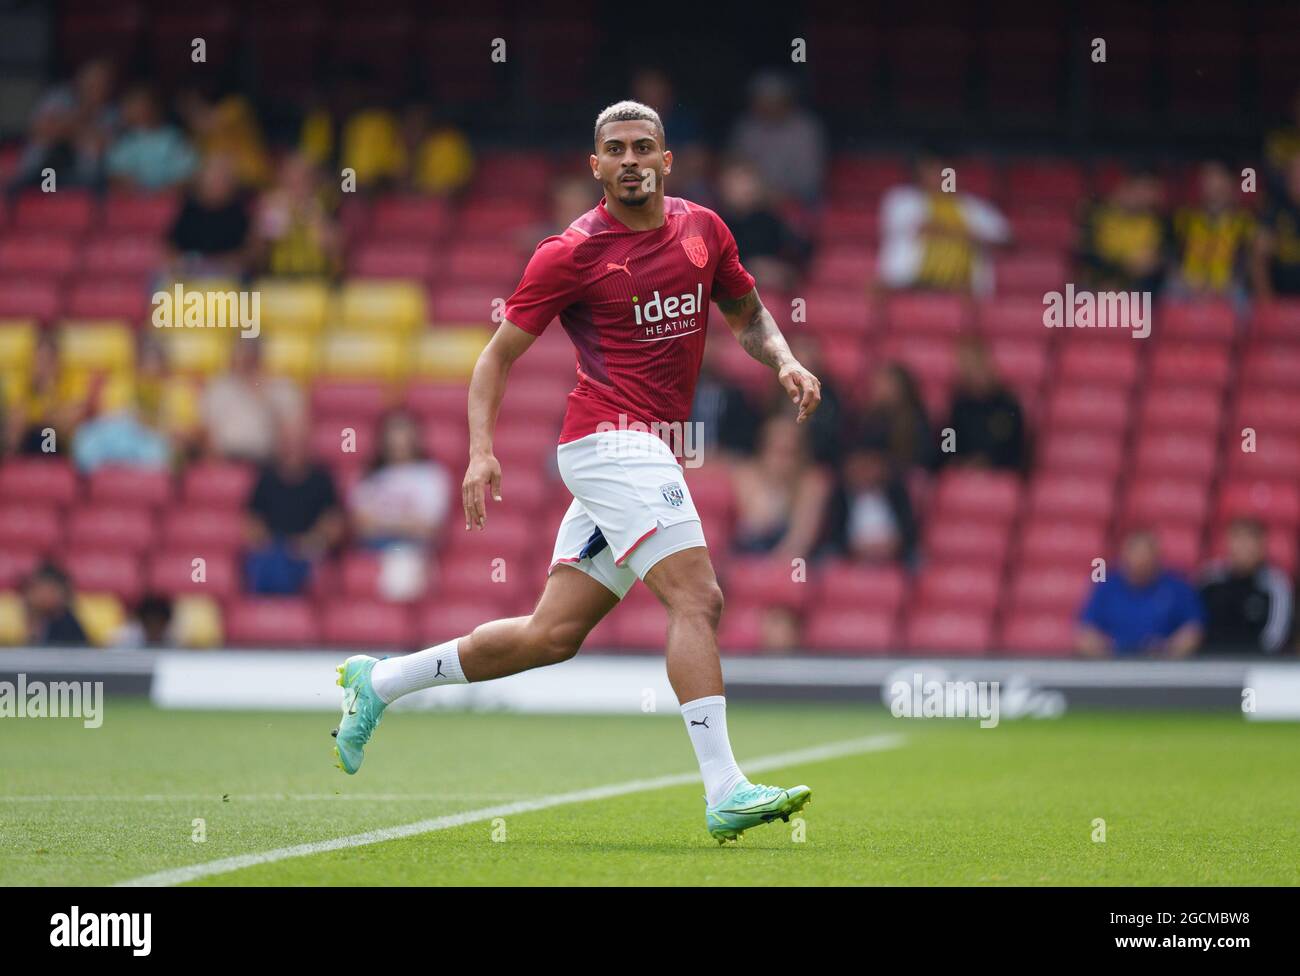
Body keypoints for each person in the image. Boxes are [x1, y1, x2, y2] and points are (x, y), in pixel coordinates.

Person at [329, 100, 821, 844]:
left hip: (644, 447)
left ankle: (381, 682)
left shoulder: (704, 230)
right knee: (699, 597)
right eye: (615, 149)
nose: (630, 159)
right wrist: (481, 449)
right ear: (596, 166)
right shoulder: (570, 252)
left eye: (643, 147)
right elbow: (495, 358)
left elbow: (746, 313)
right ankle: (725, 789)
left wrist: (783, 358)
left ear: (666, 161)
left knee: (550, 635)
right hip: (607, 441)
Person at [877, 152, 1011, 295]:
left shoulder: (976, 207)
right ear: (919, 173)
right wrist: (966, 235)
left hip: (963, 287)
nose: (940, 176)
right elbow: (925, 228)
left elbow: (1006, 241)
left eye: (945, 171)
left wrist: (965, 235)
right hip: (912, 284)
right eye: (932, 171)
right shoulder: (902, 200)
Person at [244, 415, 344, 595]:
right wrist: (267, 544)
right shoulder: (266, 478)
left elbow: (334, 523)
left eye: (296, 440)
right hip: (274, 549)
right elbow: (252, 520)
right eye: (287, 440)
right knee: (270, 563)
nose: (292, 446)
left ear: (306, 442)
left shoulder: (321, 478)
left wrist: (311, 542)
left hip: (310, 550)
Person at [1076, 530, 1204, 658]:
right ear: (1124, 556)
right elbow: (1085, 631)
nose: (1140, 561)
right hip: (1114, 665)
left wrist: (1169, 652)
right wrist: (1107, 656)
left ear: (1157, 557)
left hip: (1163, 666)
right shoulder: (1106, 587)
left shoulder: (1177, 588)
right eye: (1136, 554)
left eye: (1145, 555)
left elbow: (1193, 629)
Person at [730, 414, 831, 559]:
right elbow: (749, 528)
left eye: (790, 453)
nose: (782, 461)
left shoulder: (813, 483)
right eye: (776, 451)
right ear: (763, 450)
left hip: (793, 565)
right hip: (748, 557)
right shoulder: (745, 475)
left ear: (802, 454)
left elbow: (799, 544)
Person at [1199, 519, 1294, 654]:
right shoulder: (1210, 578)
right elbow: (1196, 624)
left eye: (1250, 540)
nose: (1243, 547)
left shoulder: (1275, 584)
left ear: (1262, 546)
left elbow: (1276, 636)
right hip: (1210, 662)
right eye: (1237, 539)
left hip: (1259, 663)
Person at [1168, 160, 1255, 304]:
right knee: (1170, 293)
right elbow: (1172, 257)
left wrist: (1223, 286)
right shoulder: (1185, 217)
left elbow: (1248, 263)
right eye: (1207, 177)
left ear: (1230, 183)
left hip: (1229, 287)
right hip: (1188, 285)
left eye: (1217, 177)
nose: (1210, 183)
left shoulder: (1244, 221)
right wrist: (1187, 281)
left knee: (1242, 299)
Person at [940, 336, 1027, 472]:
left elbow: (1017, 449)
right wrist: (957, 461)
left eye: (975, 363)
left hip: (999, 475)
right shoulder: (957, 405)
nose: (970, 370)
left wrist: (989, 462)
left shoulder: (1007, 405)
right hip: (964, 474)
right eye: (964, 365)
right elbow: (948, 442)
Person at [1252, 153, 1300, 299]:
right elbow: (1259, 255)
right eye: (1295, 177)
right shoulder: (1275, 209)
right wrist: (1267, 303)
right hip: (1280, 295)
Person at [23, 562, 88, 646]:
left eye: (49, 591)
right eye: (38, 590)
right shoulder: (23, 618)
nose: (43, 597)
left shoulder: (68, 626)